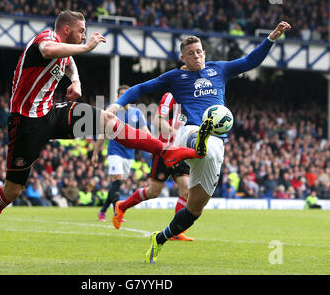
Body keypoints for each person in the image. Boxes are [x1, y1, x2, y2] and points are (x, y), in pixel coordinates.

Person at [0, 10, 201, 263]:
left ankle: (164, 151)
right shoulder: (46, 37)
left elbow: (66, 60)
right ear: (66, 30)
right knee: (12, 190)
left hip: (51, 113)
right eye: (81, 31)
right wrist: (87, 47)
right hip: (26, 122)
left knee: (108, 121)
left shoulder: (63, 49)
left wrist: (75, 80)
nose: (84, 35)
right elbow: (47, 50)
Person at [107, 21, 292, 263]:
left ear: (204, 52)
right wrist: (116, 105)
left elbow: (250, 61)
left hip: (215, 144)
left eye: (200, 51)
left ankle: (161, 238)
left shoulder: (219, 70)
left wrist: (271, 38)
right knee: (201, 137)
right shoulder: (175, 77)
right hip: (189, 130)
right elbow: (141, 88)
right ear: (182, 57)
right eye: (191, 53)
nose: (197, 56)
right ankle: (197, 141)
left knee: (195, 209)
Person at [106, 92, 195, 241]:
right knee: (153, 192)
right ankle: (122, 206)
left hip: (181, 151)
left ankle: (176, 231)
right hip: (165, 150)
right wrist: (175, 133)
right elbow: (158, 121)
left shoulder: (195, 96)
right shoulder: (170, 95)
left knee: (186, 190)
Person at [93, 85, 150, 221]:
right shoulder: (113, 113)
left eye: (126, 94)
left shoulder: (137, 113)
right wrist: (95, 152)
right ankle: (117, 212)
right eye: (121, 94)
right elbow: (103, 134)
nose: (124, 96)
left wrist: (155, 146)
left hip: (129, 154)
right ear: (118, 97)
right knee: (117, 180)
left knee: (116, 184)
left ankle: (102, 210)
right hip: (114, 152)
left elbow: (145, 132)